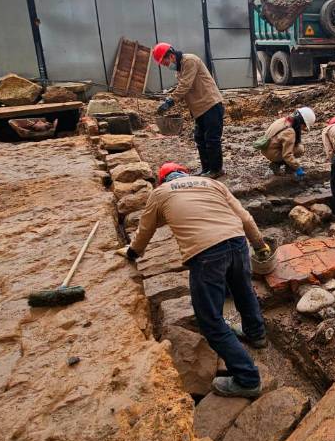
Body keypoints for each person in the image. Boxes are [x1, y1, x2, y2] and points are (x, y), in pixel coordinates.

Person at [116, 163, 272, 398]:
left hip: (206, 253)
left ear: (162, 180)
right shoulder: (212, 183)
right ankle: (256, 334)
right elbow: (245, 218)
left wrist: (132, 253)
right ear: (185, 174)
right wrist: (260, 246)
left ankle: (247, 378)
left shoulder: (160, 193)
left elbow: (145, 230)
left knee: (210, 320)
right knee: (243, 290)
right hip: (238, 242)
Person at [152, 42, 225, 178]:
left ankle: (216, 170)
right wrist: (167, 97)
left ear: (172, 56)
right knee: (200, 139)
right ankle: (206, 169)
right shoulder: (180, 70)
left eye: (165, 62)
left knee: (211, 139)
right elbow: (182, 86)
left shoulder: (189, 61)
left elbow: (185, 85)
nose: (166, 66)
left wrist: (170, 101)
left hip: (210, 104)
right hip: (199, 109)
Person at [258, 107, 315, 178]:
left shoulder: (284, 120)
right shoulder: (290, 131)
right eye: (304, 126)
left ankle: (280, 164)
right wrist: (297, 168)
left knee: (294, 147)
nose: (303, 128)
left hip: (266, 148)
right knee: (299, 150)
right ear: (301, 122)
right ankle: (277, 165)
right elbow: (287, 155)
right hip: (271, 152)